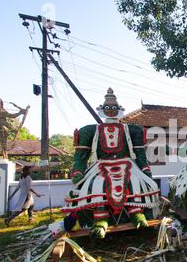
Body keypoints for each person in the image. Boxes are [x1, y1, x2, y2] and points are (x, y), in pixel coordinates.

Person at [59, 88, 160, 239]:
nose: (111, 111)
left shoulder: (131, 130)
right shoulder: (91, 130)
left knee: (134, 181)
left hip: (127, 164)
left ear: (119, 109)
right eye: (108, 108)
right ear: (102, 109)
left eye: (114, 108)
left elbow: (140, 153)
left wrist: (145, 169)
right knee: (97, 183)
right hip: (101, 165)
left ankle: (136, 213)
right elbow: (81, 156)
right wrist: (78, 170)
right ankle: (100, 219)